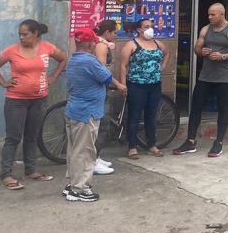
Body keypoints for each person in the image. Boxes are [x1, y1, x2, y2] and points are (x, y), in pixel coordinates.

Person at [0, 19, 67, 190]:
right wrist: (3, 83)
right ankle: (6, 174)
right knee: (13, 137)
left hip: (39, 99)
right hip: (16, 100)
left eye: (25, 34)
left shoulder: (47, 48)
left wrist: (53, 77)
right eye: (19, 34)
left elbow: (63, 60)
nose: (21, 37)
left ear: (36, 33)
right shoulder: (12, 51)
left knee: (32, 135)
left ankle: (31, 170)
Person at [173, 3, 228, 157]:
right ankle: (190, 141)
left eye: (213, 14)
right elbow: (197, 48)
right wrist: (202, 51)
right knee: (196, 106)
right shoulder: (206, 29)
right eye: (209, 14)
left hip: (223, 77)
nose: (210, 17)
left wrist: (223, 56)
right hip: (205, 75)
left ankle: (218, 142)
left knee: (223, 109)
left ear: (222, 14)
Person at [63, 28, 128, 202]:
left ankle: (72, 184)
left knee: (74, 151)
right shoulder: (89, 61)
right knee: (85, 152)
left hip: (74, 110)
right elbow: (107, 78)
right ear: (91, 44)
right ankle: (80, 189)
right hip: (86, 113)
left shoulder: (73, 59)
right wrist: (120, 86)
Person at [119, 17, 169, 158]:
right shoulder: (131, 45)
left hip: (154, 85)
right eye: (146, 26)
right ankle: (132, 147)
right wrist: (123, 85)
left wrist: (163, 66)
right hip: (136, 85)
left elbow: (167, 53)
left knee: (151, 115)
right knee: (134, 116)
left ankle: (151, 145)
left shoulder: (157, 43)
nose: (150, 29)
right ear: (139, 29)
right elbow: (123, 65)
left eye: (151, 26)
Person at [91, 19, 120, 175]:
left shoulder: (99, 43)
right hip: (100, 89)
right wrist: (117, 84)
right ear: (107, 32)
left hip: (101, 88)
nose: (116, 35)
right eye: (115, 32)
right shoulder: (101, 46)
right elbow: (101, 71)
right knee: (102, 124)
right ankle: (93, 160)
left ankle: (96, 156)